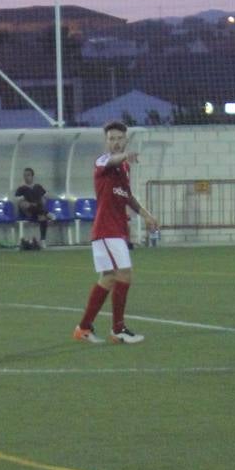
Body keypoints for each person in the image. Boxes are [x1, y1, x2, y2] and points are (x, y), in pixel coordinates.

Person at [73, 121, 160, 345]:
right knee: (124, 273)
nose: (115, 142)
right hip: (106, 229)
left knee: (109, 277)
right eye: (111, 139)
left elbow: (128, 196)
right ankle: (118, 329)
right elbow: (112, 159)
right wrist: (125, 156)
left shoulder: (124, 168)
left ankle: (83, 328)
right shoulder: (103, 161)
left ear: (125, 140)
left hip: (114, 230)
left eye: (119, 138)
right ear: (106, 141)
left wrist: (147, 215)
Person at [15, 167, 52, 248]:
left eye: (28, 175)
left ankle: (43, 240)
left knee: (42, 217)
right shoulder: (21, 188)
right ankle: (46, 213)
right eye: (24, 175)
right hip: (26, 212)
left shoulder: (37, 186)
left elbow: (46, 196)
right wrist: (25, 197)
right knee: (25, 204)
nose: (26, 177)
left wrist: (42, 199)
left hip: (37, 211)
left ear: (32, 176)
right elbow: (17, 200)